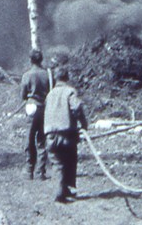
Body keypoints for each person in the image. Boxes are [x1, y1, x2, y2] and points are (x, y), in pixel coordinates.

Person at [44, 67, 88, 203]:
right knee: (69, 161)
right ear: (67, 77)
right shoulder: (70, 92)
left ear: (56, 78)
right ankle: (60, 193)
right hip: (67, 134)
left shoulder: (49, 94)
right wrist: (83, 123)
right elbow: (77, 108)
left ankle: (63, 189)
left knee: (57, 162)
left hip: (50, 134)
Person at [20, 49, 52, 180]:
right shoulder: (48, 74)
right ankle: (40, 171)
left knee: (29, 138)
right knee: (41, 140)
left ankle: (29, 169)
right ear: (41, 60)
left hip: (31, 107)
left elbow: (22, 95)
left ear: (30, 60)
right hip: (44, 107)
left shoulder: (27, 75)